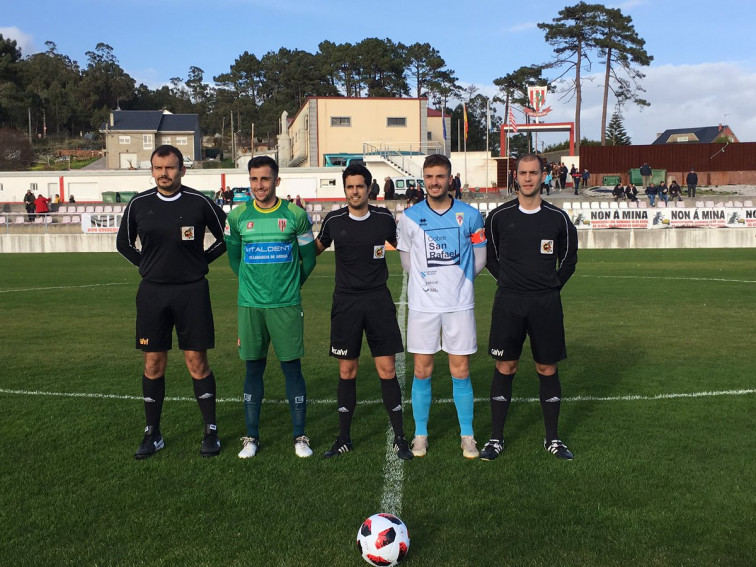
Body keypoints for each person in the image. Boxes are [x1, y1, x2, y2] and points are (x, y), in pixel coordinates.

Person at [116, 144, 227, 460]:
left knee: (197, 361)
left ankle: (211, 431)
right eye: (158, 168)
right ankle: (153, 433)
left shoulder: (199, 202)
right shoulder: (139, 204)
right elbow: (123, 243)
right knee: (153, 362)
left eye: (170, 167)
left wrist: (202, 261)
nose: (164, 173)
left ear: (182, 169)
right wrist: (145, 265)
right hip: (153, 293)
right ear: (151, 170)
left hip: (192, 291)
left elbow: (227, 237)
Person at [480, 153, 578, 462]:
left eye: (533, 172)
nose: (527, 178)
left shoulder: (558, 218)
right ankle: (496, 438)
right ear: (516, 176)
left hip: (545, 304)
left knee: (546, 367)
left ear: (542, 175)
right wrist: (510, 281)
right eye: (522, 172)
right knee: (505, 366)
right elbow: (490, 258)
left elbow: (570, 259)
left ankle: (553, 438)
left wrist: (550, 286)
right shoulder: (498, 217)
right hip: (509, 301)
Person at [315, 163, 413, 461]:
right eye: (349, 187)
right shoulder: (333, 220)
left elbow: (406, 249)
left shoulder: (383, 218)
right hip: (345, 303)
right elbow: (314, 249)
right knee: (347, 370)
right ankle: (344, 438)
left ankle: (399, 438)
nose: (354, 191)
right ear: (344, 189)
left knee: (386, 370)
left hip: (378, 302)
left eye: (359, 186)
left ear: (369, 188)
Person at [225, 156, 317, 459]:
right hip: (250, 306)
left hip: (286, 306)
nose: (258, 185)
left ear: (276, 181)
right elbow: (234, 259)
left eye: (264, 179)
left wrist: (290, 287)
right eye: (253, 179)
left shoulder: (295, 215)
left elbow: (310, 259)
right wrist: (252, 288)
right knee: (253, 368)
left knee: (292, 369)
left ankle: (300, 437)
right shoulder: (237, 216)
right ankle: (251, 437)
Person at [396, 154, 487, 459]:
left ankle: (467, 435)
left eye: (440, 176)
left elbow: (480, 258)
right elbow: (407, 261)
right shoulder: (408, 218)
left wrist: (457, 281)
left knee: (460, 371)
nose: (434, 182)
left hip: (459, 304)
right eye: (429, 176)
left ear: (450, 179)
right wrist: (430, 282)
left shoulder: (471, 216)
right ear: (423, 179)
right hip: (423, 306)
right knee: (422, 370)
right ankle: (420, 434)